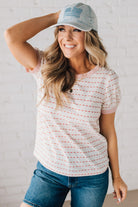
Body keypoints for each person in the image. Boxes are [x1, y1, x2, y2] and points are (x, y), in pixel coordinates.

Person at [4, 2, 127, 207]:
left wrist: (117, 177)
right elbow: (11, 36)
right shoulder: (44, 67)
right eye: (62, 29)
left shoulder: (106, 79)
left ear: (89, 35)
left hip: (91, 175)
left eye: (76, 29)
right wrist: (55, 17)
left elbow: (108, 131)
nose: (67, 37)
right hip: (49, 172)